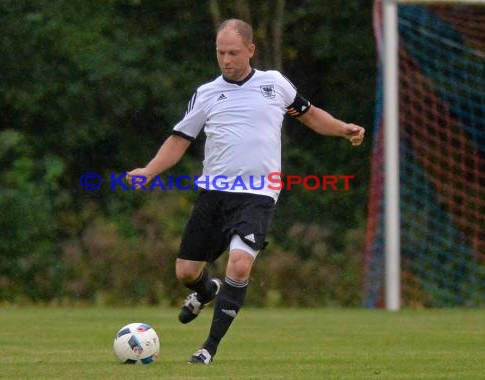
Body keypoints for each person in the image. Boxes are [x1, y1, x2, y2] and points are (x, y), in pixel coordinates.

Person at [126, 18, 365, 364]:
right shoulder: (206, 93)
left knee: (239, 266)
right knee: (186, 273)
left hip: (258, 195)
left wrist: (343, 128)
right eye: (221, 52)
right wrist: (149, 170)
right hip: (214, 194)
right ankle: (207, 289)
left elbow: (310, 115)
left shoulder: (274, 84)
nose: (226, 59)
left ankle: (208, 348)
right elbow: (180, 140)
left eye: (233, 53)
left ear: (251, 50)